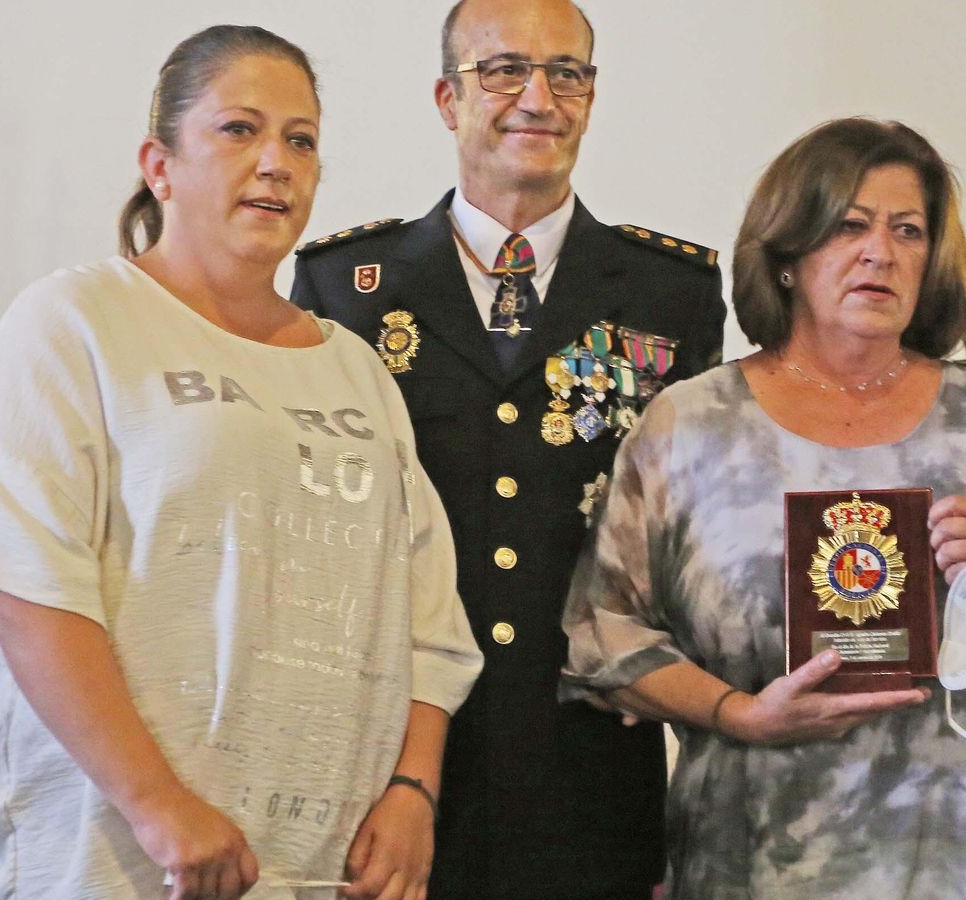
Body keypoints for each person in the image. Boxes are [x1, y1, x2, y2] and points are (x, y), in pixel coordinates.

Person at [0, 25, 481, 900]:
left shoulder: (356, 369)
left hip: (323, 867)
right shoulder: (73, 323)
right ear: (160, 165)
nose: (276, 162)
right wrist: (157, 805)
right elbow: (21, 583)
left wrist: (415, 788)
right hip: (124, 855)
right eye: (240, 130)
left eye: (300, 140)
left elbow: (427, 617)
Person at [560, 117, 966, 898]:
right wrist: (738, 713)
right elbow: (605, 639)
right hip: (761, 856)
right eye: (850, 226)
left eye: (909, 230)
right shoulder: (691, 425)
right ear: (789, 255)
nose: (882, 252)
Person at [290, 1, 726, 895]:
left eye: (567, 72)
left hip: (589, 764)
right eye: (504, 71)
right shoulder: (347, 286)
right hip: (391, 759)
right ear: (448, 99)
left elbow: (689, 534)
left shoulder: (669, 293)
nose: (539, 96)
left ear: (591, 99)